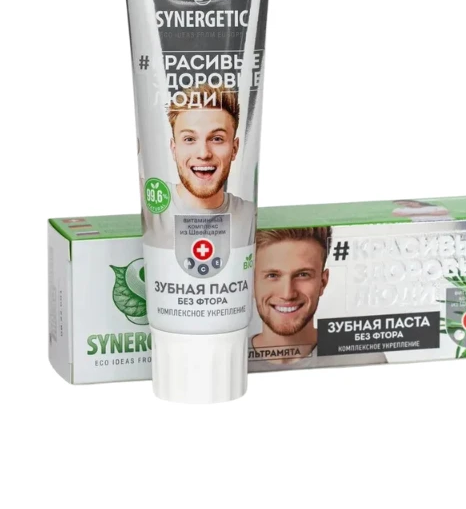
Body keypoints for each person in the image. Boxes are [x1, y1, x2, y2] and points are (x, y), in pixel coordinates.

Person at [249, 227, 387, 370]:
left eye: (303, 275)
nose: (287, 294)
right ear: (252, 282)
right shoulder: (234, 361)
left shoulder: (365, 359)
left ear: (323, 282)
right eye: (272, 275)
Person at [142, 85, 255, 249]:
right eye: (189, 139)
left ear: (235, 148)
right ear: (174, 149)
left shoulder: (250, 216)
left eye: (217, 139)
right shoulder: (150, 204)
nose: (203, 153)